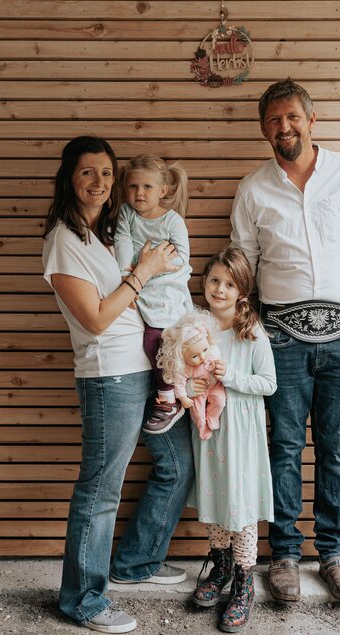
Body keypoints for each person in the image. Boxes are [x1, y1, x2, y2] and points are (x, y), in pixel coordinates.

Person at [230, 78, 340, 603]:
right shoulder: (253, 189)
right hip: (279, 338)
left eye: (292, 117)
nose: (284, 127)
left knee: (334, 447)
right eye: (274, 121)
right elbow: (244, 268)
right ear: (263, 130)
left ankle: (333, 554)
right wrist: (242, 336)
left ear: (311, 120)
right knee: (282, 446)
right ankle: (283, 556)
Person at [42, 136, 194, 634]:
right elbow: (95, 318)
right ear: (70, 178)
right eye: (88, 172)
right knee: (101, 488)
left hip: (145, 365)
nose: (100, 182)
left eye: (107, 173)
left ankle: (135, 561)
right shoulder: (64, 240)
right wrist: (144, 272)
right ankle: (83, 600)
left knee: (177, 464)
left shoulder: (106, 231)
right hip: (110, 375)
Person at [189, 248, 277, 633]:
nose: (220, 289)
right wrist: (190, 386)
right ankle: (221, 566)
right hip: (210, 433)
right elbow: (182, 369)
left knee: (239, 503)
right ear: (204, 282)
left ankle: (244, 581)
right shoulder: (197, 327)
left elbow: (269, 384)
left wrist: (233, 377)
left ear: (242, 290)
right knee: (216, 496)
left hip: (241, 433)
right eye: (214, 280)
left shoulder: (251, 331)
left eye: (229, 284)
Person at [114, 154, 193, 434]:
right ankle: (170, 388)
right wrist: (127, 271)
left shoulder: (172, 221)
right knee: (148, 342)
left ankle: (168, 397)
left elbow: (181, 258)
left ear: (163, 191)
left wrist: (149, 265)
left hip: (167, 287)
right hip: (140, 284)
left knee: (157, 341)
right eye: (133, 186)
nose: (139, 193)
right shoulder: (127, 213)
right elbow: (122, 239)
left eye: (147, 187)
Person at [157, 309, 226, 440]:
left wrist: (220, 367)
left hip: (215, 386)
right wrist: (183, 398)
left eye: (205, 349)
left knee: (220, 401)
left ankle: (212, 417)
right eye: (195, 356)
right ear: (182, 357)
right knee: (197, 412)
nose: (203, 357)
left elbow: (221, 363)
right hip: (198, 392)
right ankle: (202, 427)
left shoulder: (212, 353)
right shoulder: (186, 368)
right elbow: (179, 384)